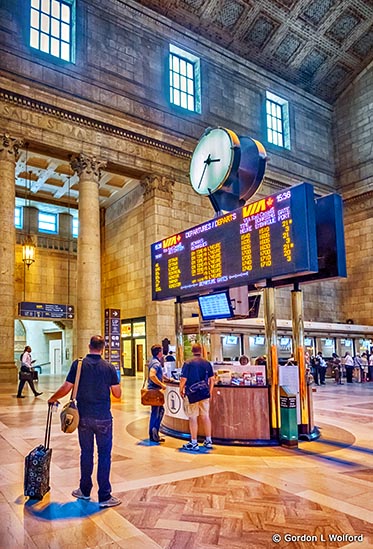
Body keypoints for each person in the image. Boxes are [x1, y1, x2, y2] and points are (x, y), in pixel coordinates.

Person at [48, 335, 122, 508]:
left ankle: (84, 490)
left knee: (86, 453)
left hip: (83, 417)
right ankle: (104, 496)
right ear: (103, 348)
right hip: (103, 417)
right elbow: (117, 393)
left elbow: (67, 387)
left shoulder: (78, 364)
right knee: (104, 455)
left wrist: (52, 398)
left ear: (89, 346)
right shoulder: (109, 367)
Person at [179, 343, 215, 451]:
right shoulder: (207, 363)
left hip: (192, 393)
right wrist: (210, 391)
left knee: (193, 417)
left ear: (192, 350)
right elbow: (212, 379)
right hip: (204, 393)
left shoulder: (188, 363)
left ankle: (194, 442)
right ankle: (208, 440)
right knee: (205, 416)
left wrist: (181, 390)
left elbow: (183, 379)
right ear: (201, 350)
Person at [148, 344, 167, 443]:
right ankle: (154, 434)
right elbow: (152, 375)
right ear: (159, 352)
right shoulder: (156, 363)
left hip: (153, 389)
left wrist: (166, 379)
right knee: (156, 412)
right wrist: (162, 385)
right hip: (155, 391)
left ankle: (154, 433)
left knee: (158, 411)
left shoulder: (153, 361)